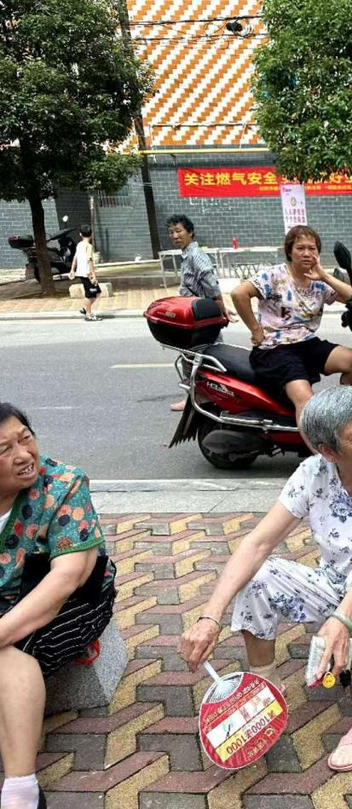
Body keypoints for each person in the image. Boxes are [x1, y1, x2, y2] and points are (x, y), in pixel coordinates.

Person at [177, 386, 352, 772]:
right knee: (259, 576)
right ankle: (264, 683)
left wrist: (341, 619)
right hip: (338, 581)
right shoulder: (312, 474)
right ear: (328, 451)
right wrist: (209, 617)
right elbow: (258, 543)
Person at [0, 403, 117, 809]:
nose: (22, 455)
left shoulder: (63, 484)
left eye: (25, 438)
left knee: (11, 652)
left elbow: (66, 578)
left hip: (73, 602)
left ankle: (21, 789)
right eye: (4, 449)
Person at [230, 225, 352, 420]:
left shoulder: (319, 280)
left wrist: (324, 276)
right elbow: (238, 293)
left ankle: (338, 414)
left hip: (306, 343)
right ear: (290, 251)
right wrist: (255, 329)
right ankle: (320, 449)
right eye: (300, 248)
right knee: (306, 402)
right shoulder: (274, 275)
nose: (307, 253)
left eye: (312, 248)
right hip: (275, 348)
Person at [166, 214, 237, 411]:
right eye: (171, 232)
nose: (175, 235)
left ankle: (197, 399)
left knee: (197, 356)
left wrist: (220, 305)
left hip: (201, 316)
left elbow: (209, 281)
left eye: (179, 231)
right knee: (200, 356)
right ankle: (204, 396)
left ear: (190, 232)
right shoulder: (188, 254)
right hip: (197, 314)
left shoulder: (195, 255)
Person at [67, 225, 101, 322]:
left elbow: (75, 258)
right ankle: (88, 314)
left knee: (97, 292)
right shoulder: (88, 246)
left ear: (80, 234)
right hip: (87, 274)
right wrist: (93, 274)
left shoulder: (79, 245)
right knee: (90, 295)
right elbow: (90, 261)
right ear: (91, 234)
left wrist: (72, 270)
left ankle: (85, 308)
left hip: (81, 273)